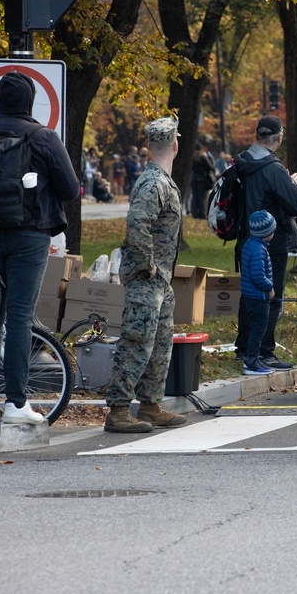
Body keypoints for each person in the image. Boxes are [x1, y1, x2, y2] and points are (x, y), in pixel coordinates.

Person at [0, 71, 80, 425]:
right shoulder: (42, 137)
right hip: (30, 236)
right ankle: (15, 403)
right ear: (29, 101)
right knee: (19, 316)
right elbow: (71, 189)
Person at [103, 117, 188, 433]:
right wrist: (147, 264)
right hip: (147, 278)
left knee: (161, 342)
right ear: (175, 145)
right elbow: (137, 225)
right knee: (137, 341)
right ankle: (119, 410)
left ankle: (151, 404)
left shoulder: (160, 180)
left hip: (160, 280)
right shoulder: (154, 183)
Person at [233, 115, 297, 369]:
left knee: (249, 296)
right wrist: (293, 185)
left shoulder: (242, 162)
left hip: (245, 238)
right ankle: (264, 351)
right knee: (270, 296)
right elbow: (295, 205)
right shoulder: (274, 169)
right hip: (270, 241)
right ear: (279, 137)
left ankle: (244, 348)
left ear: (257, 136)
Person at [240, 210, 277, 376]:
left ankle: (252, 357)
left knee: (254, 327)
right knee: (259, 329)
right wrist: (269, 288)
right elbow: (258, 275)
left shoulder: (250, 244)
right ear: (266, 233)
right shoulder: (259, 250)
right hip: (258, 296)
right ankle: (252, 360)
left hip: (249, 295)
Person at [189, 141, 217, 218]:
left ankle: (194, 213)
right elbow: (211, 167)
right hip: (202, 179)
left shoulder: (192, 158)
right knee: (203, 197)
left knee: (194, 197)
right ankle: (202, 213)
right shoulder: (202, 157)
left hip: (193, 179)